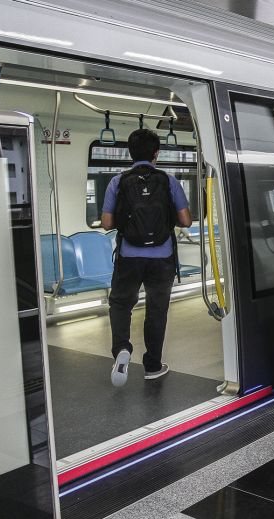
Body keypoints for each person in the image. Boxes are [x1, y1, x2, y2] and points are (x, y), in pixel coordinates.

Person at [101, 128, 192, 386]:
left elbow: (107, 222)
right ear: (156, 153)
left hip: (129, 255)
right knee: (156, 310)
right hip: (162, 257)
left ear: (130, 153)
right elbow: (185, 220)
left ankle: (121, 348)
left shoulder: (118, 182)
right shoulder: (168, 180)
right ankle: (152, 365)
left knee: (121, 303)